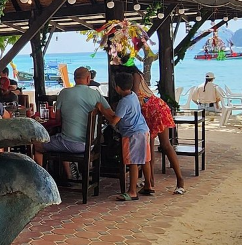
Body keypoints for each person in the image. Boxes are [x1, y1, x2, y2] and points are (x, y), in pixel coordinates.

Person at [34, 67, 114, 175]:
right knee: (61, 139)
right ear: (88, 78)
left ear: (75, 79)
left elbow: (58, 119)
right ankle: (69, 175)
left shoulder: (64, 93)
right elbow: (111, 115)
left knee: (37, 145)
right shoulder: (96, 94)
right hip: (90, 144)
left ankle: (44, 179)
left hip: (70, 143)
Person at [132, 70, 185, 195]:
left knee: (165, 145)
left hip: (154, 110)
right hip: (149, 111)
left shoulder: (134, 75)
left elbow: (134, 95)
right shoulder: (134, 74)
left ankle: (180, 180)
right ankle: (149, 183)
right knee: (149, 149)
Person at [109, 71, 152, 201]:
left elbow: (114, 121)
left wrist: (105, 112)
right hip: (143, 130)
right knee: (145, 159)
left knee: (133, 162)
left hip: (132, 134)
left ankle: (132, 191)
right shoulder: (133, 95)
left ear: (117, 88)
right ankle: (149, 185)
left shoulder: (124, 102)